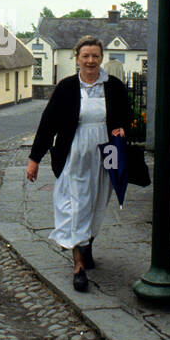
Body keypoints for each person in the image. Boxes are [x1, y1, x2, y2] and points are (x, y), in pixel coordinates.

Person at [26, 36, 129, 292]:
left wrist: (123, 130)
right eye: (86, 56)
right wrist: (34, 159)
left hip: (106, 152)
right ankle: (79, 266)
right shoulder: (66, 88)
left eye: (95, 56)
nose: (91, 61)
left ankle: (87, 244)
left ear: (101, 57)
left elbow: (126, 116)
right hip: (75, 152)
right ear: (77, 58)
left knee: (97, 201)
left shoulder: (114, 86)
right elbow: (48, 123)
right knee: (76, 204)